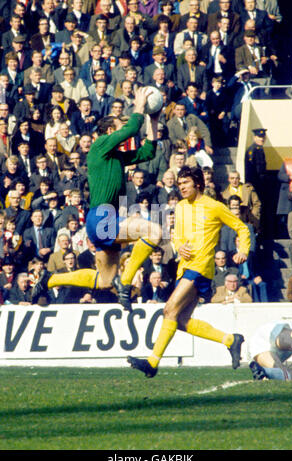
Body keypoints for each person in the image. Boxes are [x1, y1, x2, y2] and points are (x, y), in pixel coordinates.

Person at [33, 88, 161, 313]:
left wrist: (154, 119)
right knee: (155, 232)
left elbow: (148, 152)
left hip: (101, 220)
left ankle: (50, 280)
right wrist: (139, 105)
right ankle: (126, 281)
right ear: (110, 131)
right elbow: (132, 128)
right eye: (119, 127)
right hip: (102, 218)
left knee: (103, 281)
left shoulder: (116, 155)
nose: (124, 130)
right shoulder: (100, 145)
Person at [127, 165, 250, 378]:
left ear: (198, 184)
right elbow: (177, 235)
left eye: (185, 183)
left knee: (169, 309)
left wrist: (243, 250)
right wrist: (179, 244)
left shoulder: (214, 206)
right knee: (180, 320)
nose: (181, 187)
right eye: (179, 183)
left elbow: (242, 227)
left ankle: (152, 362)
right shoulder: (182, 206)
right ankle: (231, 340)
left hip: (200, 267)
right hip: (184, 269)